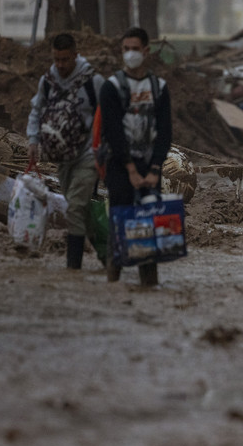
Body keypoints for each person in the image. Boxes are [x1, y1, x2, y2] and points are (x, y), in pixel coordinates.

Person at [98, 27, 173, 286]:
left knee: (149, 220)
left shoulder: (159, 88)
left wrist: (154, 169)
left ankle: (148, 281)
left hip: (150, 163)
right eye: (125, 49)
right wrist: (130, 169)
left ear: (146, 51)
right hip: (119, 165)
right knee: (119, 217)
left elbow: (165, 132)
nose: (130, 54)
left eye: (134, 49)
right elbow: (113, 131)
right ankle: (113, 275)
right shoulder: (112, 87)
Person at [26, 32, 106, 269]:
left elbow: (110, 114)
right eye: (56, 59)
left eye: (65, 60)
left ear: (75, 55)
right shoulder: (48, 81)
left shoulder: (93, 81)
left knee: (74, 207)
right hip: (62, 158)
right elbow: (36, 110)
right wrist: (33, 140)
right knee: (80, 209)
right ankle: (108, 250)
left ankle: (73, 267)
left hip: (88, 155)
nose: (60, 65)